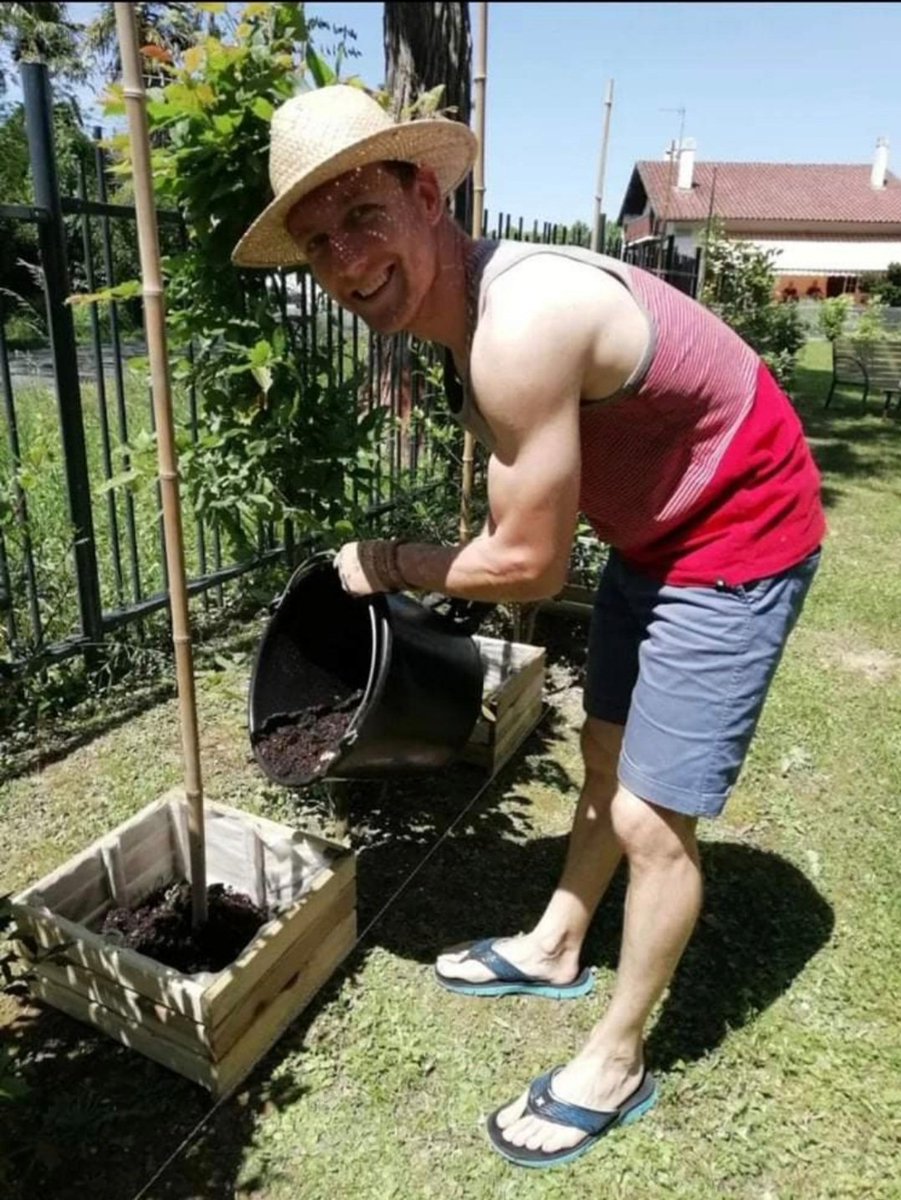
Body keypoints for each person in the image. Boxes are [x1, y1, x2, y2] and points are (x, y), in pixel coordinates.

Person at [234, 86, 824, 1169]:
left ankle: (617, 1057)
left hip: (739, 530)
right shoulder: (469, 324)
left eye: (363, 216)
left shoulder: (520, 322)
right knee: (603, 753)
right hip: (656, 531)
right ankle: (558, 943)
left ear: (426, 195)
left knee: (650, 816)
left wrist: (387, 563)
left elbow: (529, 567)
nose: (346, 261)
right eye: (319, 243)